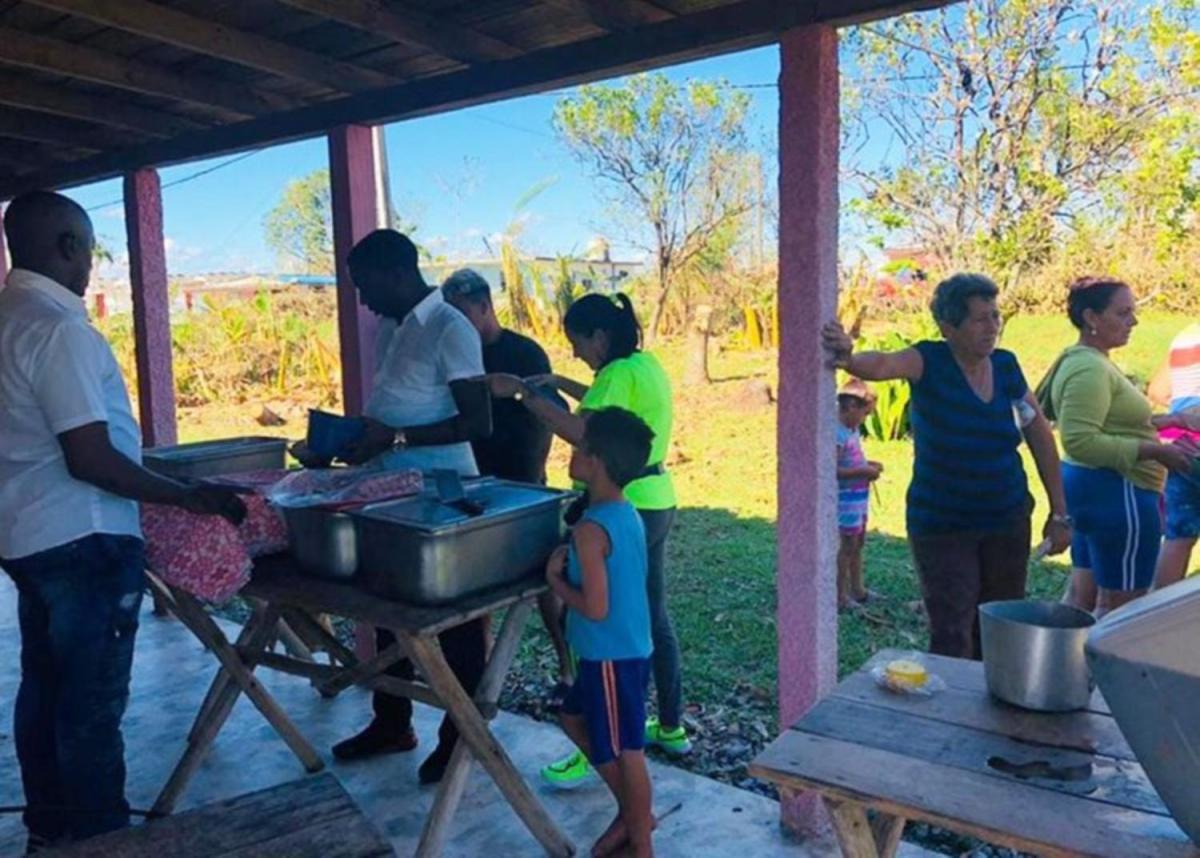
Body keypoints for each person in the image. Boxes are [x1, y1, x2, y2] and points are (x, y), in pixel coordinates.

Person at [0, 191, 246, 852]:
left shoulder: (7, 316)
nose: (90, 267)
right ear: (68, 247)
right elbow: (90, 457)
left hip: (26, 534)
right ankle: (99, 841)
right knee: (90, 708)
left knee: (47, 691)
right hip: (82, 537)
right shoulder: (58, 328)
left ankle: (50, 831)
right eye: (88, 250)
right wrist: (185, 495)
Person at [486, 292, 689, 789]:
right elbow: (604, 404)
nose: (576, 353)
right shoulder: (643, 365)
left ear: (599, 336)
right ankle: (670, 723)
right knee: (650, 616)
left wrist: (523, 394)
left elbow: (584, 429)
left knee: (598, 621)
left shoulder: (615, 378)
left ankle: (596, 741)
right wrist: (556, 383)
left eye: (577, 344)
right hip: (656, 498)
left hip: (624, 501)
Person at [316, 231, 494, 786]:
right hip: (390, 488)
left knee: (453, 619)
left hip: (441, 488)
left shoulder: (450, 327)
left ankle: (458, 736)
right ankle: (392, 721)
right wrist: (358, 438)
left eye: (365, 287)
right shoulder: (393, 328)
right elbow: (401, 406)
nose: (362, 300)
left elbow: (477, 422)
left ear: (396, 274)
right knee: (386, 605)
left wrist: (391, 440)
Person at [822, 273, 1071, 659]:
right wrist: (849, 357)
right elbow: (884, 363)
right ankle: (951, 716)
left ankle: (995, 715)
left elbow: (1038, 431)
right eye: (980, 319)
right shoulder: (928, 360)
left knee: (1000, 628)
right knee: (952, 632)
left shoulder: (1006, 366)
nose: (992, 327)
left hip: (1007, 517)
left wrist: (1060, 511)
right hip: (942, 524)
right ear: (947, 327)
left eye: (995, 316)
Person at [1039, 278, 1200, 617]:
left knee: (1083, 601)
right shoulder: (1089, 368)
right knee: (1121, 610)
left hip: (1096, 489)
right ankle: (1096, 668)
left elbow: (1113, 423)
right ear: (1092, 318)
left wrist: (1173, 421)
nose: (1134, 322)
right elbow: (1081, 441)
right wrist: (1157, 452)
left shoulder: (1089, 361)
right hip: (1117, 491)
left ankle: (1063, 665)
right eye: (1123, 312)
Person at [549, 407, 656, 858]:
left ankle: (641, 840)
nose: (571, 452)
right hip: (618, 651)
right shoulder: (623, 512)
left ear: (596, 461)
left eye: (579, 447)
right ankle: (632, 813)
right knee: (572, 717)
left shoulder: (591, 531)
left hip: (611, 655)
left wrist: (556, 581)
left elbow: (595, 606)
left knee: (626, 748)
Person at [1152, 322, 1200, 590]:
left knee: (1178, 536)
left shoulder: (1186, 335)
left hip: (1177, 444)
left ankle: (1158, 613)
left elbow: (1158, 391)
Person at [836, 378, 883, 611]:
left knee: (858, 543)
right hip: (844, 500)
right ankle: (840, 595)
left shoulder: (852, 430)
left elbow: (852, 459)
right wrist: (862, 471)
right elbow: (831, 470)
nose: (866, 420)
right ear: (851, 407)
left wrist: (868, 464)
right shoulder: (837, 434)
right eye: (865, 414)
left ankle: (858, 588)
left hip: (858, 498)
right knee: (846, 546)